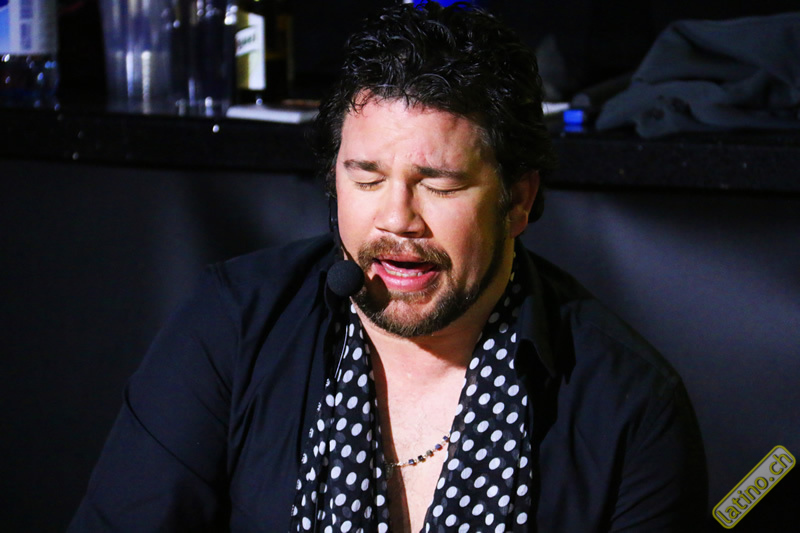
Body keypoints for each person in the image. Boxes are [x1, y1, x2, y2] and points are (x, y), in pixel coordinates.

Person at [69, 2, 707, 531]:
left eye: (440, 184)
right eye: (367, 179)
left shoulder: (627, 405)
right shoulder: (233, 326)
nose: (396, 219)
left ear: (518, 200)